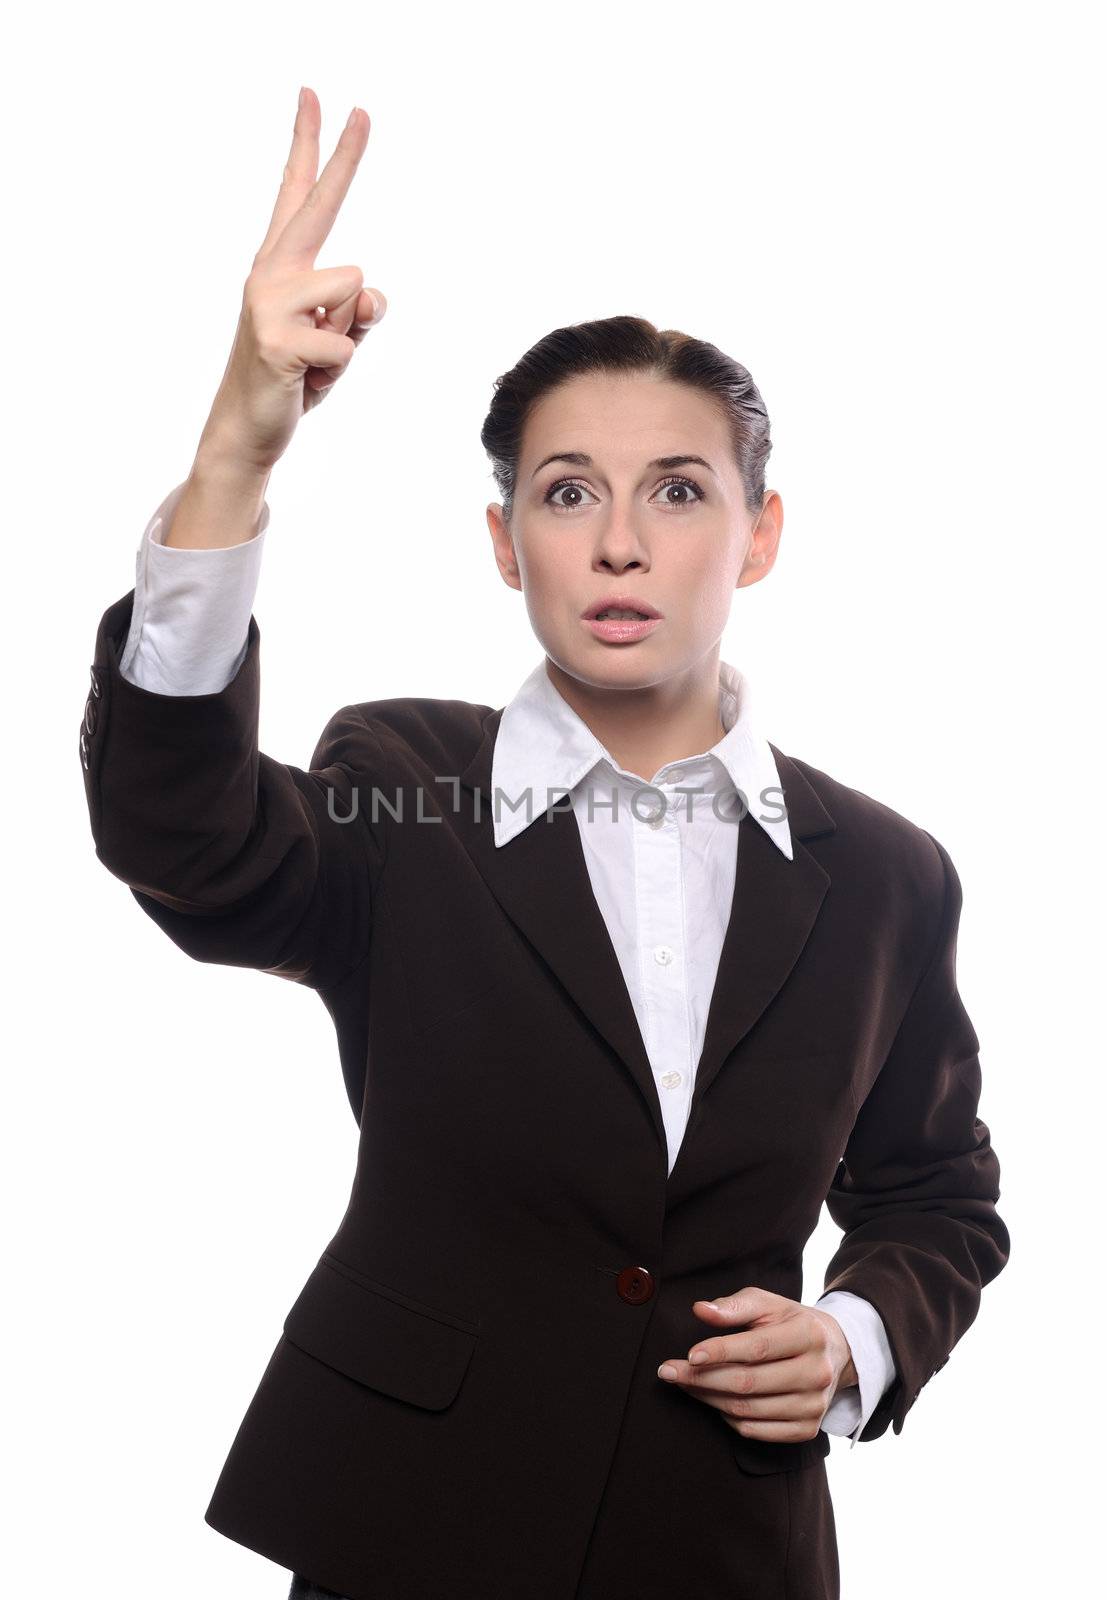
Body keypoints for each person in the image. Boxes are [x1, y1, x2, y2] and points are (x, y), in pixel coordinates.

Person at [79, 87, 1010, 1600]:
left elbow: (937, 1192)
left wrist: (858, 1336)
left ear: (760, 535)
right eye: (569, 494)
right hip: (410, 1532)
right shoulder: (403, 781)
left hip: (723, 1544)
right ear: (507, 540)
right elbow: (182, 836)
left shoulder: (890, 875)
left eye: (681, 493)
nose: (622, 543)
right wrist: (235, 455)